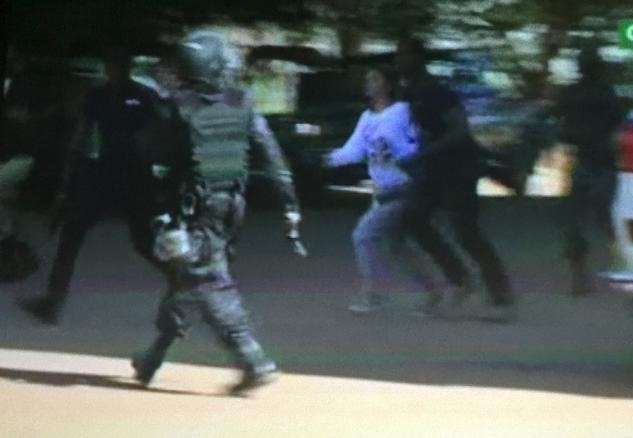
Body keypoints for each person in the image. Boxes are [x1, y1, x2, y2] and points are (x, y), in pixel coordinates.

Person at [131, 31, 302, 393]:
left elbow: (151, 156)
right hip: (232, 208)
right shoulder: (243, 102)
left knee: (207, 280)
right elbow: (272, 156)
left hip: (195, 210)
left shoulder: (179, 107)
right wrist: (289, 206)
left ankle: (252, 358)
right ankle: (152, 359)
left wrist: (160, 205)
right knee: (186, 278)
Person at [18, 47, 164, 324]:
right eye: (111, 65)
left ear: (126, 67)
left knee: (144, 241)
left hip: (135, 175)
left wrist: (157, 173)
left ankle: (188, 284)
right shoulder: (98, 96)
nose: (114, 70)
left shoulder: (143, 96)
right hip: (105, 173)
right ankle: (53, 301)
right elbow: (82, 133)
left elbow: (156, 135)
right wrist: (69, 177)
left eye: (118, 65)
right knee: (71, 234)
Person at [395, 37, 515, 322]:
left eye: (404, 55)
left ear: (418, 58)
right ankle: (460, 280)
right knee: (413, 219)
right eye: (398, 56)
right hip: (432, 170)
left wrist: (426, 151)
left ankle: (500, 296)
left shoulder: (438, 91)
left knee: (465, 230)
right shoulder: (407, 93)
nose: (398, 61)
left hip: (459, 167)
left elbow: (460, 131)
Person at [324, 67, 443, 314]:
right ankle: (433, 291)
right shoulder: (366, 118)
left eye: (375, 78)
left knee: (363, 235)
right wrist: (329, 158)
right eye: (367, 79)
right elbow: (354, 150)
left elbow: (415, 144)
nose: (368, 83)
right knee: (396, 245)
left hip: (404, 188)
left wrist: (401, 154)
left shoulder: (402, 111)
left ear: (388, 85)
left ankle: (374, 295)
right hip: (382, 191)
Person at [553, 46, 622, 296]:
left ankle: (584, 277)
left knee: (593, 221)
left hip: (597, 162)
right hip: (592, 161)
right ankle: (582, 277)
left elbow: (559, 124)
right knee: (589, 222)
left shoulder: (585, 94)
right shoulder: (597, 93)